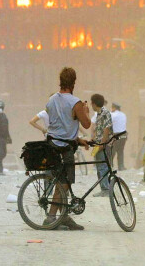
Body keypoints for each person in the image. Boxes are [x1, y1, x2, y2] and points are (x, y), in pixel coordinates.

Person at [44, 67, 91, 230]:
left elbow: (59, 127)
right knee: (64, 182)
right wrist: (86, 111)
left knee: (63, 180)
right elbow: (86, 124)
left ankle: (63, 216)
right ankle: (51, 217)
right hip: (64, 148)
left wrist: (77, 140)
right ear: (74, 82)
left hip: (51, 144)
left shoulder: (51, 101)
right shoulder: (75, 103)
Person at [91, 93, 113, 197]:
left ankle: (106, 189)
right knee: (99, 167)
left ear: (94, 104)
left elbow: (106, 129)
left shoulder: (105, 113)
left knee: (103, 167)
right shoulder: (99, 114)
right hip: (98, 143)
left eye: (92, 103)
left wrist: (102, 144)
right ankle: (103, 188)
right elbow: (98, 129)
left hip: (103, 144)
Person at [110, 102, 127, 170]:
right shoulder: (123, 115)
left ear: (114, 108)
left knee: (112, 150)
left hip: (116, 135)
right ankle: (121, 166)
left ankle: (110, 165)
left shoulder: (113, 115)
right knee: (120, 151)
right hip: (123, 135)